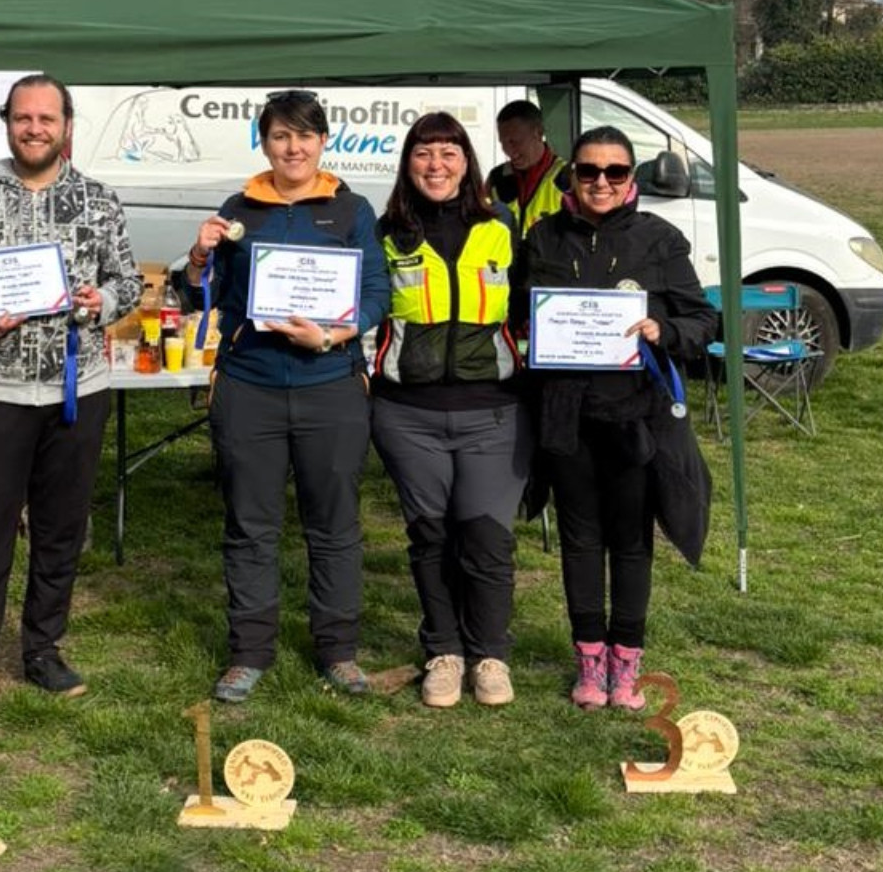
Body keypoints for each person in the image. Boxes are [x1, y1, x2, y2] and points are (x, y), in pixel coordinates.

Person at [0, 73, 142, 712]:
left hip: (78, 387)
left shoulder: (99, 200)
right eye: (23, 118)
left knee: (60, 530)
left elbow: (127, 280)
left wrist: (106, 302)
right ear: (7, 123)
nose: (35, 128)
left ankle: (43, 650)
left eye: (47, 118)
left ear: (67, 125)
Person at [184, 89, 389, 703]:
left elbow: (377, 291)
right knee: (250, 527)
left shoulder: (351, 210)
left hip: (331, 384)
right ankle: (248, 652)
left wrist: (332, 334)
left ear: (324, 141)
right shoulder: (238, 207)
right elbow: (204, 297)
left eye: (304, 136)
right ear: (264, 143)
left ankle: (338, 650)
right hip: (251, 386)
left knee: (335, 526)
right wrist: (198, 257)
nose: (293, 147)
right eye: (280, 136)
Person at [512, 126, 716, 711]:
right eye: (588, 171)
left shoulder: (659, 238)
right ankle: (588, 658)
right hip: (567, 414)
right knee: (580, 539)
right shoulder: (544, 236)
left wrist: (664, 330)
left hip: (636, 416)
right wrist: (533, 327)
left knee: (629, 541)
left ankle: (625, 662)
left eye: (615, 172)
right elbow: (517, 311)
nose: (601, 182)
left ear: (631, 178)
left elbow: (703, 321)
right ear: (570, 175)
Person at [369, 112, 530, 708]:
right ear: (408, 163)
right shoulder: (386, 232)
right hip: (407, 414)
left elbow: (532, 309)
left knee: (487, 537)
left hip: (494, 412)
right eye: (423, 153)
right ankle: (443, 651)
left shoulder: (502, 227)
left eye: (448, 152)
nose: (436, 165)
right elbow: (365, 310)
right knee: (430, 536)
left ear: (467, 161)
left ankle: (489, 655)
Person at [487, 99, 571, 233]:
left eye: (515, 142)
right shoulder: (496, 178)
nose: (509, 150)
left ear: (539, 133)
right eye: (503, 142)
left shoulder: (567, 177)